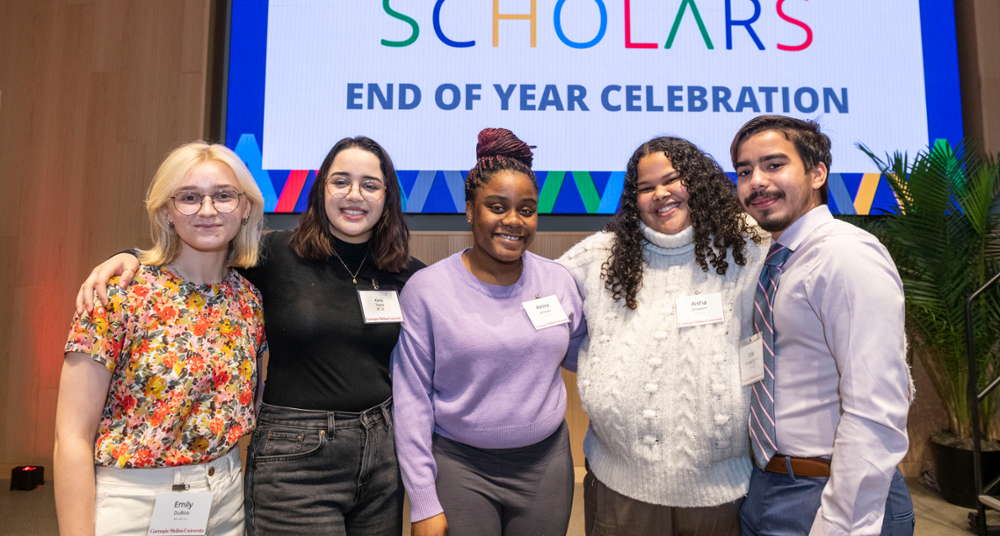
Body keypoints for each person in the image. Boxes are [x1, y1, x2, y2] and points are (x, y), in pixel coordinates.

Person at [74, 136, 424, 536]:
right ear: (321, 188)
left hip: (380, 453)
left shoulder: (408, 274)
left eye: (370, 184)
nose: (354, 194)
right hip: (297, 455)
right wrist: (130, 257)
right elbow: (198, 250)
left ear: (387, 196)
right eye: (340, 181)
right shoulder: (275, 254)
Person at [54, 141, 267, 536]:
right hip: (133, 504)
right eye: (189, 197)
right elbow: (71, 436)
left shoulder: (249, 300)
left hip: (225, 497)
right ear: (166, 211)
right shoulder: (117, 293)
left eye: (223, 195)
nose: (207, 210)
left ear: (246, 208)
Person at [558, 136, 768, 536]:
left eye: (672, 180)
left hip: (723, 491)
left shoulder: (748, 249)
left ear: (700, 183)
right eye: (645, 187)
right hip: (622, 489)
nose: (660, 194)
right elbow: (535, 298)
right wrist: (589, 360)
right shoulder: (600, 256)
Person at [392, 128, 587, 536]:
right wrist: (424, 502)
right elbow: (411, 402)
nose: (513, 221)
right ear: (469, 211)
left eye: (526, 209)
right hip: (461, 467)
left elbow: (588, 357)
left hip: (545, 465)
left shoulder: (557, 281)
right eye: (496, 207)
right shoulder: (427, 290)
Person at [730, 115, 914, 536]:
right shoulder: (777, 259)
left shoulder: (846, 256)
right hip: (769, 485)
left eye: (774, 165)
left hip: (832, 495)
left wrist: (840, 524)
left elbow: (875, 409)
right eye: (745, 171)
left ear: (817, 173)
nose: (756, 180)